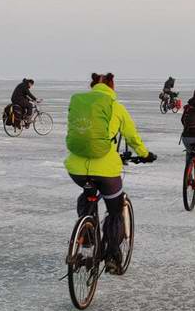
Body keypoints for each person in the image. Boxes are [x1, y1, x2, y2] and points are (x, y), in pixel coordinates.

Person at [65, 72, 156, 273]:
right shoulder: (116, 107)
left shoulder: (81, 105)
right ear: (111, 85)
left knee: (88, 194)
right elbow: (131, 136)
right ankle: (113, 256)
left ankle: (86, 235)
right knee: (115, 209)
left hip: (76, 169)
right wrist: (145, 154)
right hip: (105, 170)